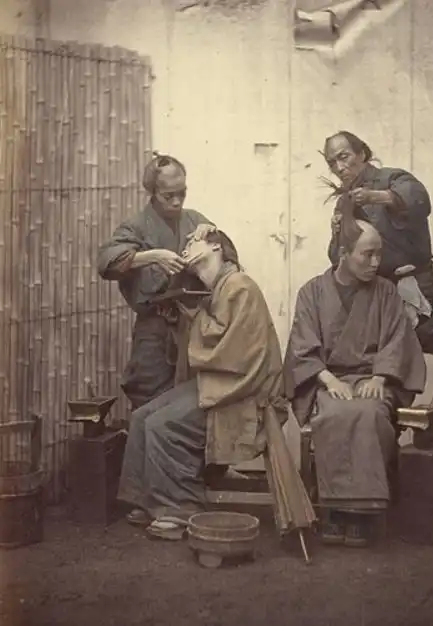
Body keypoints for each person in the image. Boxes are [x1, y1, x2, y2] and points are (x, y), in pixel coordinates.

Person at [117, 229, 288, 540]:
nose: (186, 248)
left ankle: (180, 508)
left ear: (216, 247)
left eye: (193, 242)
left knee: (162, 424)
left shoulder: (240, 286)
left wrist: (194, 316)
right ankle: (148, 498)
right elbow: (207, 339)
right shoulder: (216, 289)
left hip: (243, 393)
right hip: (222, 384)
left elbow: (231, 352)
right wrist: (183, 314)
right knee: (142, 416)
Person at [284, 219, 426, 547]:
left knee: (370, 412)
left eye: (379, 254)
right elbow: (302, 347)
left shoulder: (386, 292)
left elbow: (397, 340)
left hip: (372, 380)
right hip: (328, 380)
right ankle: (335, 510)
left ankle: (361, 514)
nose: (376, 262)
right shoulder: (312, 293)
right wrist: (329, 380)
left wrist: (379, 377)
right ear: (343, 254)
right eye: (367, 254)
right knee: (333, 413)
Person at [97, 152, 220, 410]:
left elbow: (225, 255)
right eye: (168, 195)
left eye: (182, 194)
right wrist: (152, 256)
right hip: (154, 329)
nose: (176, 201)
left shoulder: (194, 220)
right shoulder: (136, 226)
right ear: (152, 192)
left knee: (191, 400)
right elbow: (107, 263)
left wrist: (211, 234)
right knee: (147, 398)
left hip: (193, 326)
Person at [323, 131, 433, 356]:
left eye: (344, 157)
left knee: (403, 361)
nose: (339, 168)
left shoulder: (393, 179)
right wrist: (337, 233)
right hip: (372, 294)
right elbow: (339, 259)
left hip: (411, 288)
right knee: (373, 360)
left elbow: (419, 200)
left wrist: (377, 197)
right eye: (332, 163)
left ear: (361, 154)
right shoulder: (344, 202)